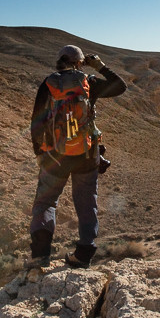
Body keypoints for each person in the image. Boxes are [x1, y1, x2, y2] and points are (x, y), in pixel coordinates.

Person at [28, 44, 126, 268]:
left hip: (55, 157)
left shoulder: (49, 83)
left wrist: (40, 153)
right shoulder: (88, 83)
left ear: (59, 61)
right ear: (79, 62)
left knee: (45, 202)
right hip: (87, 155)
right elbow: (120, 87)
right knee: (86, 203)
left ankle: (40, 256)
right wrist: (99, 65)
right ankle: (83, 255)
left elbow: (37, 123)